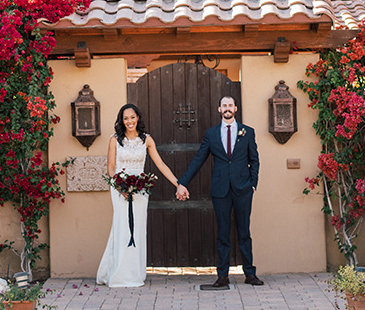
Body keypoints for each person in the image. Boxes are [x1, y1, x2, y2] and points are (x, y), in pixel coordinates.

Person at [176, 96, 263, 288]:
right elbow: (199, 159)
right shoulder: (212, 134)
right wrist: (182, 182)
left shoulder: (247, 132)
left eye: (230, 105)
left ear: (235, 108)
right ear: (219, 109)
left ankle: (250, 274)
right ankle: (222, 276)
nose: (227, 108)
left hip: (243, 189)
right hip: (220, 191)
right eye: (224, 106)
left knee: (244, 232)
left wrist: (253, 183)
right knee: (223, 233)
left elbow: (254, 159)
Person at [96, 103, 181, 288]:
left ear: (138, 118)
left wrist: (178, 183)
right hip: (119, 188)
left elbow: (161, 165)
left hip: (140, 189)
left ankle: (135, 273)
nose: (129, 121)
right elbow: (110, 168)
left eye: (132, 117)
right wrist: (120, 187)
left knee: (138, 229)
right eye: (126, 118)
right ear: (122, 121)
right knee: (122, 227)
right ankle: (119, 273)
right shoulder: (114, 140)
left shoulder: (147, 140)